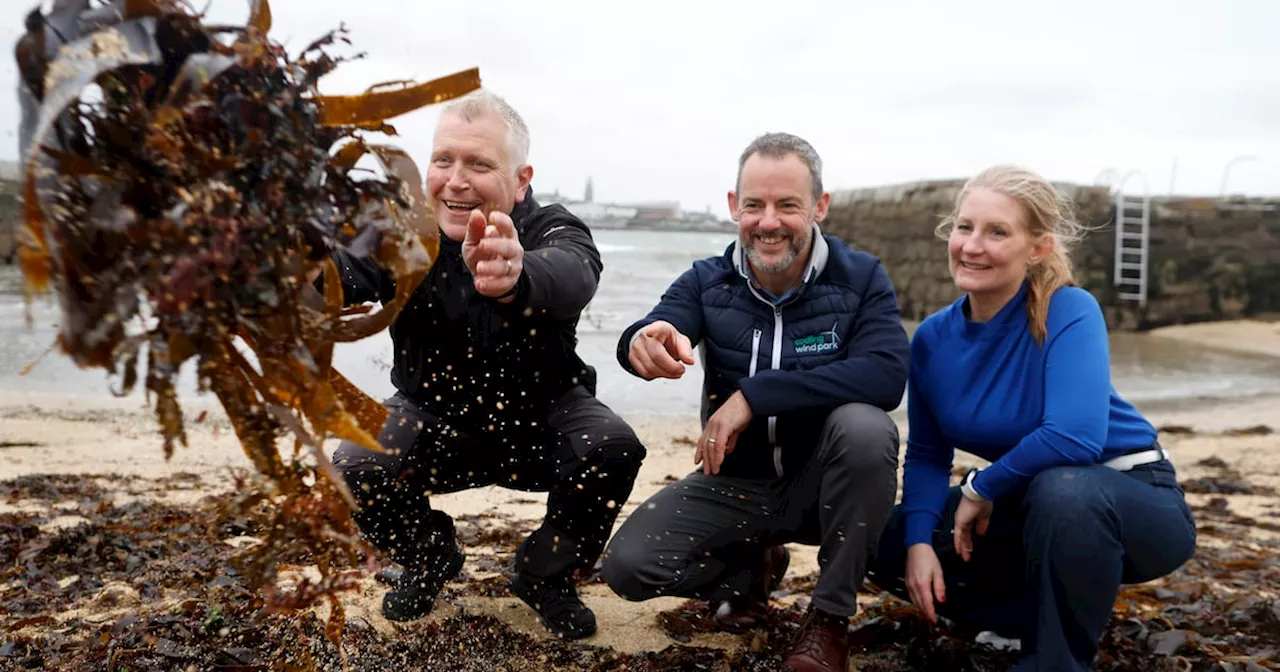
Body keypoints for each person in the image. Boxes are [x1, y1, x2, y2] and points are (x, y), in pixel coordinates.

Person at [320, 90, 646, 640]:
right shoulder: (401, 231)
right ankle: (428, 557)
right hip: (434, 418)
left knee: (613, 448)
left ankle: (545, 575)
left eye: (479, 164)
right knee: (353, 464)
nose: (456, 179)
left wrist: (517, 276)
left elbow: (573, 271)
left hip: (543, 422)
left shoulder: (553, 226)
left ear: (521, 179)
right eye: (443, 160)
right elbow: (336, 274)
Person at [865, 165, 1197, 671]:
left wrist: (981, 487)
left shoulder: (1070, 310)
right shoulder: (932, 338)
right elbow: (930, 456)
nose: (972, 245)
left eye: (997, 232)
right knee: (883, 536)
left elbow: (1076, 437)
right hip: (1028, 503)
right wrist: (916, 545)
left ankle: (1054, 659)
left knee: (1064, 489)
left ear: (1036, 247)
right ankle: (1015, 621)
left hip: (1132, 500)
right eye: (964, 227)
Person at [600, 132, 910, 672]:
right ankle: (747, 571)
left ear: (820, 206)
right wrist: (643, 341)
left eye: (788, 205)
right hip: (735, 486)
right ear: (732, 207)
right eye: (754, 205)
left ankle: (827, 623)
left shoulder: (861, 278)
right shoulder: (707, 279)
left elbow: (886, 376)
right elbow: (659, 324)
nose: (769, 221)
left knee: (867, 428)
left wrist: (754, 395)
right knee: (629, 568)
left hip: (825, 489)